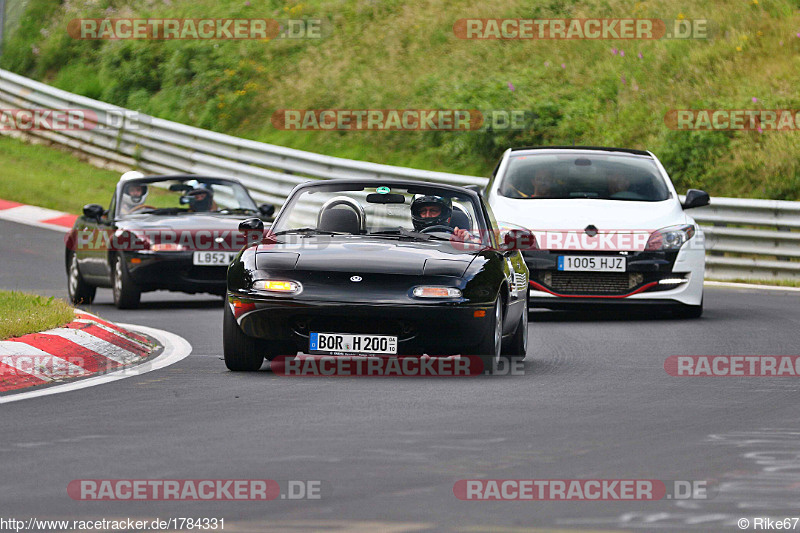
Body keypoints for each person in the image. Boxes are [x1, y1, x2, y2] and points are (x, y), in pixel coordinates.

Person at [410, 195, 478, 243]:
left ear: (444, 213)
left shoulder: (457, 237)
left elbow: (478, 244)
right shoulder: (407, 237)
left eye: (433, 211)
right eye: (423, 211)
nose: (428, 215)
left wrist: (467, 239)